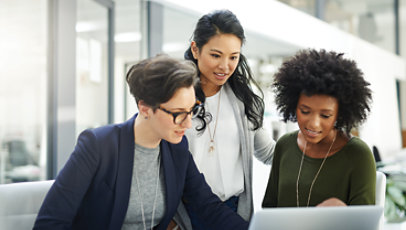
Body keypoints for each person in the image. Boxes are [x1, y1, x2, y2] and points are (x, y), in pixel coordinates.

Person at [33, 55, 249, 230]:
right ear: (145, 108)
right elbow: (50, 222)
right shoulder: (98, 146)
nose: (188, 123)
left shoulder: (176, 148)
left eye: (192, 110)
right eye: (178, 113)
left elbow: (206, 206)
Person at [174, 9, 275, 230]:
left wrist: (317, 147)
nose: (225, 66)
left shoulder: (246, 100)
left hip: (233, 209)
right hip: (186, 214)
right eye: (216, 55)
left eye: (233, 57)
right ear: (195, 49)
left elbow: (268, 153)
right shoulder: (175, 98)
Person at [262, 49, 376, 208]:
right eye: (305, 111)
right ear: (294, 105)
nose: (313, 124)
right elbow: (269, 210)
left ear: (340, 114)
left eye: (325, 115)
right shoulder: (284, 146)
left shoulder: (358, 155)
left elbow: (364, 223)